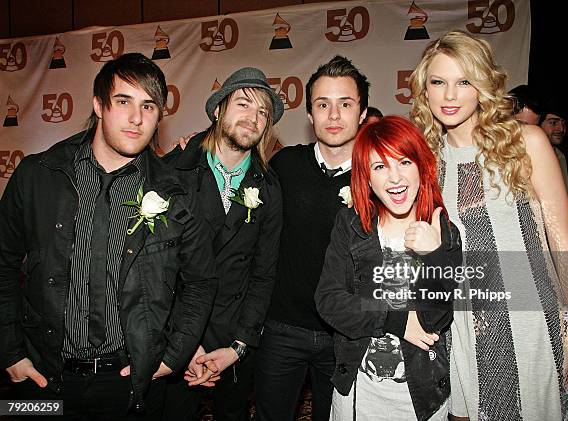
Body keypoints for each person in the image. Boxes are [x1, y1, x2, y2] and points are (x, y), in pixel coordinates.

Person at [0, 53, 217, 420]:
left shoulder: (176, 194)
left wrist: (171, 357)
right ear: (99, 105)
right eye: (123, 102)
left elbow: (200, 281)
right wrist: (9, 353)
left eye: (149, 106)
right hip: (40, 378)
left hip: (130, 382)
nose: (137, 118)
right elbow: (3, 267)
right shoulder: (37, 176)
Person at [409, 30, 568, 420]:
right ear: (424, 91)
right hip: (461, 325)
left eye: (464, 81)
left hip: (526, 319)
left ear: (482, 85)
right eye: (438, 82)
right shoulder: (426, 160)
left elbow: (561, 241)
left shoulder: (525, 142)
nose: (450, 96)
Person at [315, 115, 462, 420]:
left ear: (422, 167)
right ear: (366, 178)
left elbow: (436, 317)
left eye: (404, 162)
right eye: (380, 167)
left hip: (422, 396)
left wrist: (433, 254)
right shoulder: (352, 225)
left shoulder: (443, 231)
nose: (395, 178)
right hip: (358, 390)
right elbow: (329, 301)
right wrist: (394, 318)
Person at [161, 67, 283, 421]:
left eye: (263, 112)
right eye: (244, 104)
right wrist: (182, 343)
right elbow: (156, 269)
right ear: (218, 110)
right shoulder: (173, 170)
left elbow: (264, 274)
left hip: (232, 343)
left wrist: (239, 346)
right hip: (175, 336)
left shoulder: (270, 188)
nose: (254, 118)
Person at [255, 55, 369, 421]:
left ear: (362, 114)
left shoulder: (381, 176)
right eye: (323, 105)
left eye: (345, 104)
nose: (334, 116)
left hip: (346, 335)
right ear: (309, 115)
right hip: (281, 329)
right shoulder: (284, 165)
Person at [540, 99, 568, 193]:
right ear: (539, 124)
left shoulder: (560, 155)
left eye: (563, 123)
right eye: (553, 123)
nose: (561, 129)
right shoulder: (529, 156)